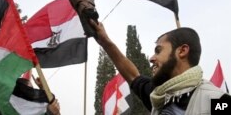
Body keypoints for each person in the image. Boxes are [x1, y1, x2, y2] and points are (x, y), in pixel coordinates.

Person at [89, 20, 231, 115]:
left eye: (158, 50)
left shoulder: (219, 101)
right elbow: (133, 77)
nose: (151, 58)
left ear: (182, 51)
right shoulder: (159, 96)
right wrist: (105, 42)